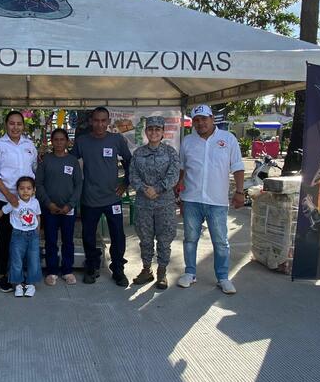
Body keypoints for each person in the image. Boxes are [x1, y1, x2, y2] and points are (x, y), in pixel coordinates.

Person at [176, 104, 245, 294]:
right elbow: (182, 168)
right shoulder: (187, 141)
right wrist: (179, 192)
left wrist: (240, 192)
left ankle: (223, 278)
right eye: (196, 120)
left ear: (212, 118)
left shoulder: (228, 139)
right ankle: (190, 273)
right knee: (190, 239)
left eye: (203, 119)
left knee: (221, 241)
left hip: (217, 201)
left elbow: (238, 167)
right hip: (191, 199)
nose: (200, 123)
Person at [71, 106, 132, 287]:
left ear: (108, 122)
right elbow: (70, 163)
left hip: (113, 198)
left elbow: (130, 161)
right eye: (96, 120)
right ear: (91, 121)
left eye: (103, 120)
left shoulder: (117, 139)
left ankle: (118, 269)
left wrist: (125, 183)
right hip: (89, 198)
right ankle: (92, 266)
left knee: (118, 235)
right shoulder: (82, 141)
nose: (99, 124)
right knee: (88, 236)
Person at [0, 111, 38, 292]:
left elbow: (33, 170)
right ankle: (3, 274)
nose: (15, 127)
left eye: (19, 124)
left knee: (25, 238)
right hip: (4, 199)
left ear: (23, 126)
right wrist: (8, 195)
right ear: (6, 125)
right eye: (12, 123)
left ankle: (21, 274)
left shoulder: (29, 145)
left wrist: (30, 196)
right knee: (7, 238)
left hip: (26, 202)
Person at [130, 116, 180, 289]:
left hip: (164, 203)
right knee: (145, 238)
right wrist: (145, 189)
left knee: (164, 239)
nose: (154, 132)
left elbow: (174, 175)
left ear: (163, 132)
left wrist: (157, 189)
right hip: (144, 203)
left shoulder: (170, 153)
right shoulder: (138, 153)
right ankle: (146, 270)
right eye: (150, 129)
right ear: (146, 132)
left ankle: (162, 272)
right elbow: (133, 175)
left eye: (157, 129)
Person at [36, 128, 83, 285]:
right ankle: (52, 271)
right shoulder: (45, 161)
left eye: (62, 139)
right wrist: (48, 203)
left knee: (68, 240)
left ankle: (67, 270)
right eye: (55, 139)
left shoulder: (72, 161)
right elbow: (39, 184)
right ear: (51, 141)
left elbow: (78, 185)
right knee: (51, 240)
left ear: (67, 142)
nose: (59, 142)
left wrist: (70, 205)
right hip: (50, 209)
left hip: (68, 210)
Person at [0, 176, 42, 297]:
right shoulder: (14, 202)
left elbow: (38, 216)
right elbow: (3, 211)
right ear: (17, 190)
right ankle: (18, 284)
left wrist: (37, 231)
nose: (25, 191)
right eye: (22, 188)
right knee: (16, 261)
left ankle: (30, 284)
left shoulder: (35, 202)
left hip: (33, 235)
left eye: (29, 188)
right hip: (18, 236)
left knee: (33, 260)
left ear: (34, 190)